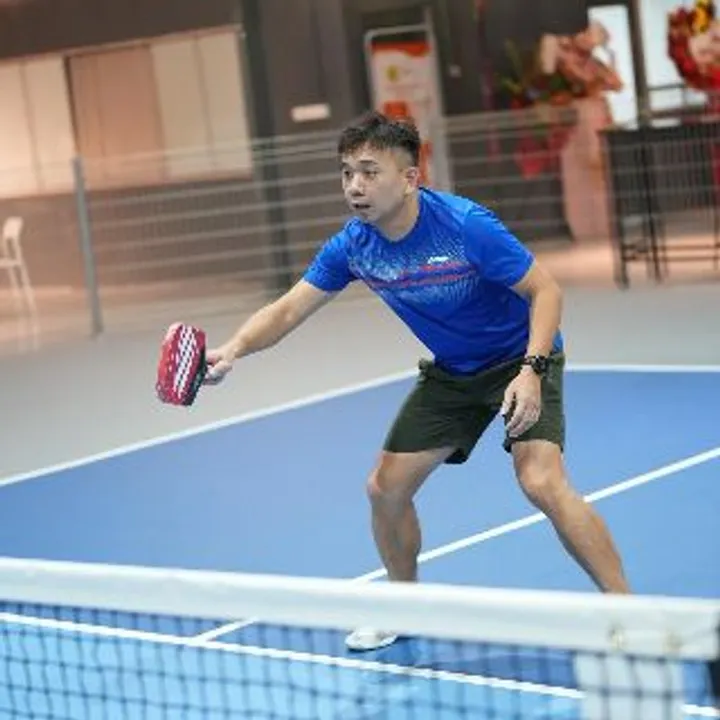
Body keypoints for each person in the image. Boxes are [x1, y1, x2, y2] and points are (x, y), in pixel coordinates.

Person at [203, 110, 631, 651]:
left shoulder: (466, 225)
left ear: (409, 178)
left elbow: (545, 291)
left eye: (369, 172)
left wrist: (532, 370)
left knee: (541, 482)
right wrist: (233, 350)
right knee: (384, 489)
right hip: (454, 373)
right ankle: (404, 608)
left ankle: (629, 613)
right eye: (346, 173)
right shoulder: (353, 246)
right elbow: (288, 309)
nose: (355, 186)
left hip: (520, 358)